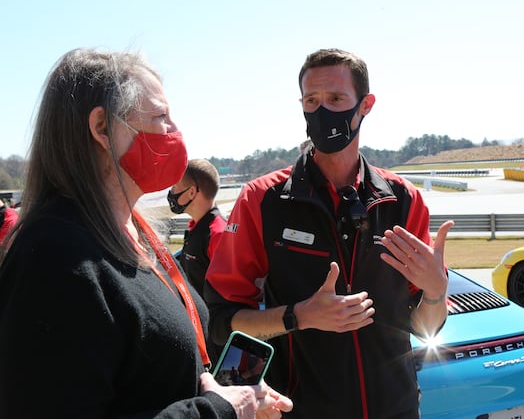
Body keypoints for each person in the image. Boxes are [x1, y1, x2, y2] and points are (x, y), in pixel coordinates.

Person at [0, 48, 292, 419]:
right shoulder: (53, 258)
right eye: (161, 116)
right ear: (102, 128)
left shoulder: (136, 232)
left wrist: (227, 394)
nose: (175, 131)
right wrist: (217, 411)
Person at [204, 48, 453, 418]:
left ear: (365, 105)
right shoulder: (262, 199)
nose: (322, 112)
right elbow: (223, 321)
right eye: (312, 100)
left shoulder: (404, 200)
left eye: (336, 99)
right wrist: (299, 316)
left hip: (397, 408)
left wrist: (436, 291)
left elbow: (423, 327)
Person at [167, 159, 227, 296]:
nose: (172, 192)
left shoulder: (218, 234)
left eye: (175, 187)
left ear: (192, 192)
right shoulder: (197, 226)